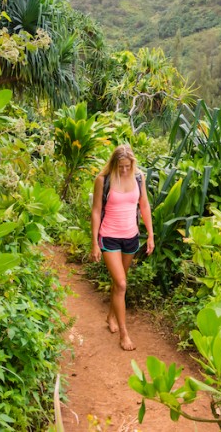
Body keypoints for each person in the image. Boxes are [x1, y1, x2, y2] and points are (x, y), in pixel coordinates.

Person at [90, 144, 154, 350]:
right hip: (109, 237)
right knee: (122, 284)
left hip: (131, 237)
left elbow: (144, 205)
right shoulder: (103, 180)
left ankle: (111, 315)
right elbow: (96, 211)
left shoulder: (138, 177)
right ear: (114, 163)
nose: (124, 170)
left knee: (119, 284)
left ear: (132, 163)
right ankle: (124, 335)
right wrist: (94, 243)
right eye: (121, 166)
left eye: (128, 166)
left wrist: (151, 235)